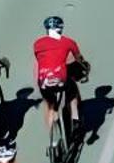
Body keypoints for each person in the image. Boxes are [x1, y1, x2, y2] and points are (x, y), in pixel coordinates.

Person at [33, 15, 87, 143]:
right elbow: (79, 59)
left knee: (52, 106)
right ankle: (75, 119)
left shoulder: (37, 44)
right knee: (72, 90)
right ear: (61, 28)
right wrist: (84, 66)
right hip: (60, 79)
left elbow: (41, 58)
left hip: (43, 81)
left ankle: (53, 142)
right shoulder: (68, 42)